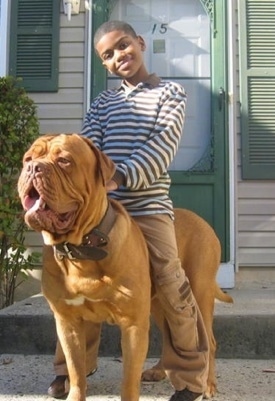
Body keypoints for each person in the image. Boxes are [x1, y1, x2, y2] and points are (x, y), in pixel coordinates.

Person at [47, 20, 209, 401]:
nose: (119, 55)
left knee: (171, 283)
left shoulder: (171, 93)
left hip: (147, 207)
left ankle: (189, 379)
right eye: (108, 54)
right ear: (103, 65)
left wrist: (118, 177)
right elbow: (88, 148)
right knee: (76, 282)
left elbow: (161, 147)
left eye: (123, 45)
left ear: (139, 42)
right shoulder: (104, 103)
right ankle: (70, 373)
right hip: (100, 210)